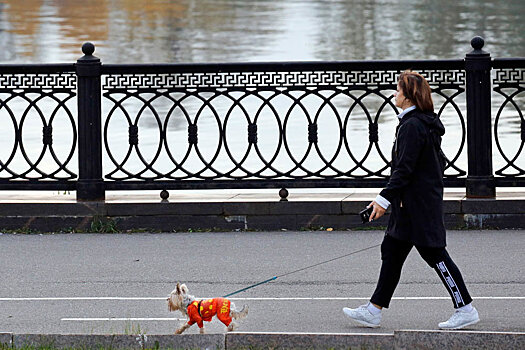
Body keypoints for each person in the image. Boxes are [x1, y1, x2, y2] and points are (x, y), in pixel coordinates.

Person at [343, 70, 479, 330]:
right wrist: (390, 200)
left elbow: (403, 170)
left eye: (398, 90)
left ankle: (465, 308)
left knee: (435, 255)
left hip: (419, 207)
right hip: (409, 206)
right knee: (392, 252)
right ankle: (374, 310)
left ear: (408, 96)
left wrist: (383, 200)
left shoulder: (413, 126)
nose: (394, 93)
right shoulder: (417, 123)